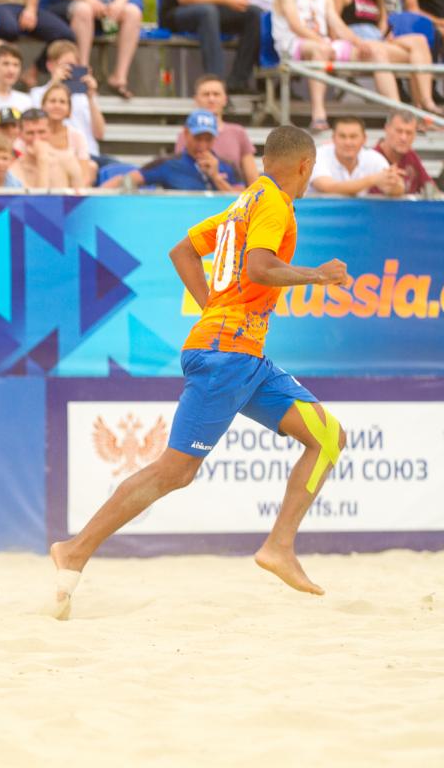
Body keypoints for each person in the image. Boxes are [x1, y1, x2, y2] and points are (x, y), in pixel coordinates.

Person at [51, 125, 352, 619]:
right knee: (176, 471)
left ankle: (279, 547)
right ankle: (75, 550)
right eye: (311, 170)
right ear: (304, 166)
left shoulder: (244, 203)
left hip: (242, 354)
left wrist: (214, 307)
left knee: (328, 436)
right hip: (227, 355)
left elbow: (182, 251)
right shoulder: (272, 204)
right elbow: (259, 268)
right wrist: (319, 275)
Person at [332, 0, 443, 118]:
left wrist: (387, 36)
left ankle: (426, 105)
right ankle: (398, 113)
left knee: (419, 41)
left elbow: (382, 25)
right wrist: (356, 41)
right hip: (354, 45)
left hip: (377, 41)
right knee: (382, 52)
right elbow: (333, 27)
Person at [272, 0, 367, 131]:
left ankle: (397, 111)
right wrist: (322, 43)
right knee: (320, 51)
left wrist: (361, 44)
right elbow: (295, 25)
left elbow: (338, 26)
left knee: (371, 53)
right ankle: (318, 115)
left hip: (323, 43)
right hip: (292, 45)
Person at [159, 0, 261, 94]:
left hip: (209, 13)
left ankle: (237, 82)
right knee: (208, 11)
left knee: (253, 14)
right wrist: (224, 0)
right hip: (176, 14)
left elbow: (239, 0)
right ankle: (216, 85)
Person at [43, 0, 142, 98]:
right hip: (58, 7)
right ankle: (83, 76)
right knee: (84, 9)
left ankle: (119, 78)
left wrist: (118, 4)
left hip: (94, 7)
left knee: (133, 12)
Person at [102, 109, 241, 191]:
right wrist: (95, 198)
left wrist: (216, 178)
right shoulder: (168, 164)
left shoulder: (228, 166)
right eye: (198, 138)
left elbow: (244, 206)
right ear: (186, 133)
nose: (202, 145)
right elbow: (126, 179)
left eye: (208, 139)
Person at [31, 39, 105, 167]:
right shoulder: (37, 93)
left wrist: (91, 97)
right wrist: (54, 85)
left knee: (126, 170)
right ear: (50, 66)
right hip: (55, 154)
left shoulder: (85, 96)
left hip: (89, 154)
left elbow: (100, 133)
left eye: (73, 66)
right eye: (64, 66)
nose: (69, 70)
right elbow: (38, 124)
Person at [175, 74, 259, 183]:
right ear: (196, 99)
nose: (211, 99)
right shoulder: (186, 134)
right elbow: (179, 172)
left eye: (216, 94)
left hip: (233, 191)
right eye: (206, 94)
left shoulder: (238, 132)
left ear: (225, 99)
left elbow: (253, 178)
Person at [308, 115, 403, 196]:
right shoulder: (318, 155)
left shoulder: (373, 158)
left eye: (353, 137)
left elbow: (396, 190)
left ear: (364, 139)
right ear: (333, 138)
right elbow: (329, 188)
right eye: (342, 136)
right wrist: (373, 179)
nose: (348, 142)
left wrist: (394, 182)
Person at [8, 106, 83, 188]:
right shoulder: (15, 169)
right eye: (30, 133)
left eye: (41, 132)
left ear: (50, 132)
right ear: (20, 135)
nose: (36, 139)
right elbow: (40, 196)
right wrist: (42, 160)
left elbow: (81, 194)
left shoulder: (68, 160)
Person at [36, 83, 92, 187]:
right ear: (43, 106)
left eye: (62, 102)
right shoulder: (33, 133)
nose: (57, 106)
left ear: (69, 109)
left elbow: (85, 176)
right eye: (52, 101)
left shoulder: (77, 136)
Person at [374, 109, 432, 193]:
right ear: (386, 129)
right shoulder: (371, 158)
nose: (403, 138)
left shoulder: (411, 156)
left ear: (415, 134)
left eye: (409, 133)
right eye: (399, 131)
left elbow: (431, 188)